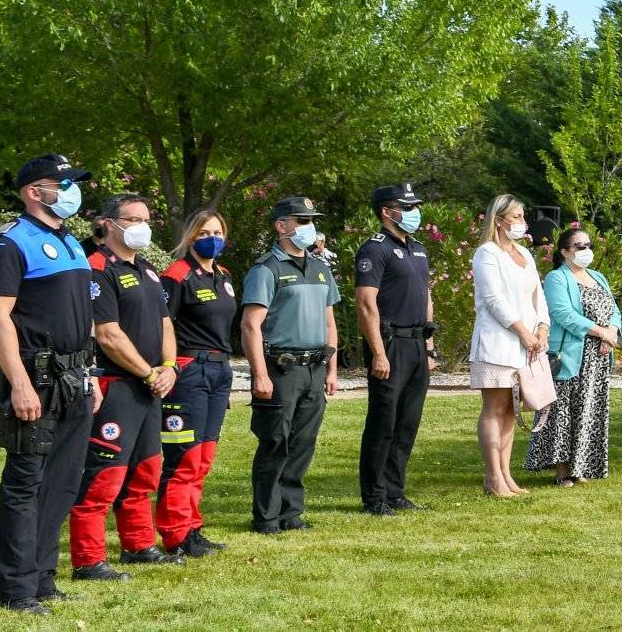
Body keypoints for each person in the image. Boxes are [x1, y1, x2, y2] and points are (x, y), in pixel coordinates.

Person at [0, 154, 98, 613]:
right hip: (36, 377)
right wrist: (20, 384)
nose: (72, 192)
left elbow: (82, 316)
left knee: (63, 481)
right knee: (26, 483)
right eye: (63, 183)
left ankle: (43, 575)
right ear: (35, 192)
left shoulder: (69, 242)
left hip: (74, 377)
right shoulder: (9, 244)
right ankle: (17, 588)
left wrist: (89, 373)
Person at [69, 193, 181, 581]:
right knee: (104, 476)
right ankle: (88, 559)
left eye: (145, 219)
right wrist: (148, 373)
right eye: (132, 219)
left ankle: (138, 545)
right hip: (117, 386)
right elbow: (108, 335)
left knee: (146, 471)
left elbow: (166, 323)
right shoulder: (97, 268)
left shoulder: (149, 270)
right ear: (108, 224)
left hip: (151, 387)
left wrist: (167, 367)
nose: (141, 226)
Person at [240, 197, 339, 535]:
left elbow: (330, 321)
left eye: (311, 219)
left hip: (314, 367)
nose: (308, 226)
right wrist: (260, 374)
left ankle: (291, 512)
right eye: (301, 220)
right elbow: (251, 325)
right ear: (281, 226)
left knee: (302, 442)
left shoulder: (320, 268)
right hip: (282, 368)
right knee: (275, 441)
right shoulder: (266, 269)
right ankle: (267, 516)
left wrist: (332, 368)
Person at [156, 210, 238, 558]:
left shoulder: (224, 275)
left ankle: (192, 526)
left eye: (218, 231)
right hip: (190, 370)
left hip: (220, 369)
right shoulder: (176, 275)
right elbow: (162, 324)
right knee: (184, 457)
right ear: (191, 236)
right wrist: (169, 366)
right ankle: (175, 534)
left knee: (203, 456)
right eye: (205, 232)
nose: (213, 237)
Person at [353, 181, 436, 518]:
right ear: (388, 211)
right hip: (391, 343)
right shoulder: (375, 249)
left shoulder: (417, 248)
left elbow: (426, 296)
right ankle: (374, 496)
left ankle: (395, 490)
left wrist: (430, 347)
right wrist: (378, 352)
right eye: (407, 206)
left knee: (407, 422)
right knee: (383, 422)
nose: (414, 212)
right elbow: (366, 303)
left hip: (416, 343)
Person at [468, 193, 550, 498]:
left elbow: (537, 295)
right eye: (515, 216)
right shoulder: (487, 253)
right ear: (499, 220)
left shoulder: (524, 254)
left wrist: (542, 326)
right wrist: (521, 331)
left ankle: (506, 474)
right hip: (498, 343)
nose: (521, 222)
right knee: (496, 407)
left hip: (526, 345)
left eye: (522, 215)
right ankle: (493, 477)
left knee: (512, 410)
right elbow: (494, 300)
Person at [528, 222, 617, 486]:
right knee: (564, 412)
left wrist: (611, 331)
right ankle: (562, 470)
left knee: (589, 411)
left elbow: (614, 311)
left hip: (598, 358)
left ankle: (582, 466)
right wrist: (600, 332)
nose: (586, 250)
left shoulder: (598, 277)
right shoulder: (557, 277)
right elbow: (563, 314)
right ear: (565, 251)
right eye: (580, 246)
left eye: (589, 246)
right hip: (570, 357)